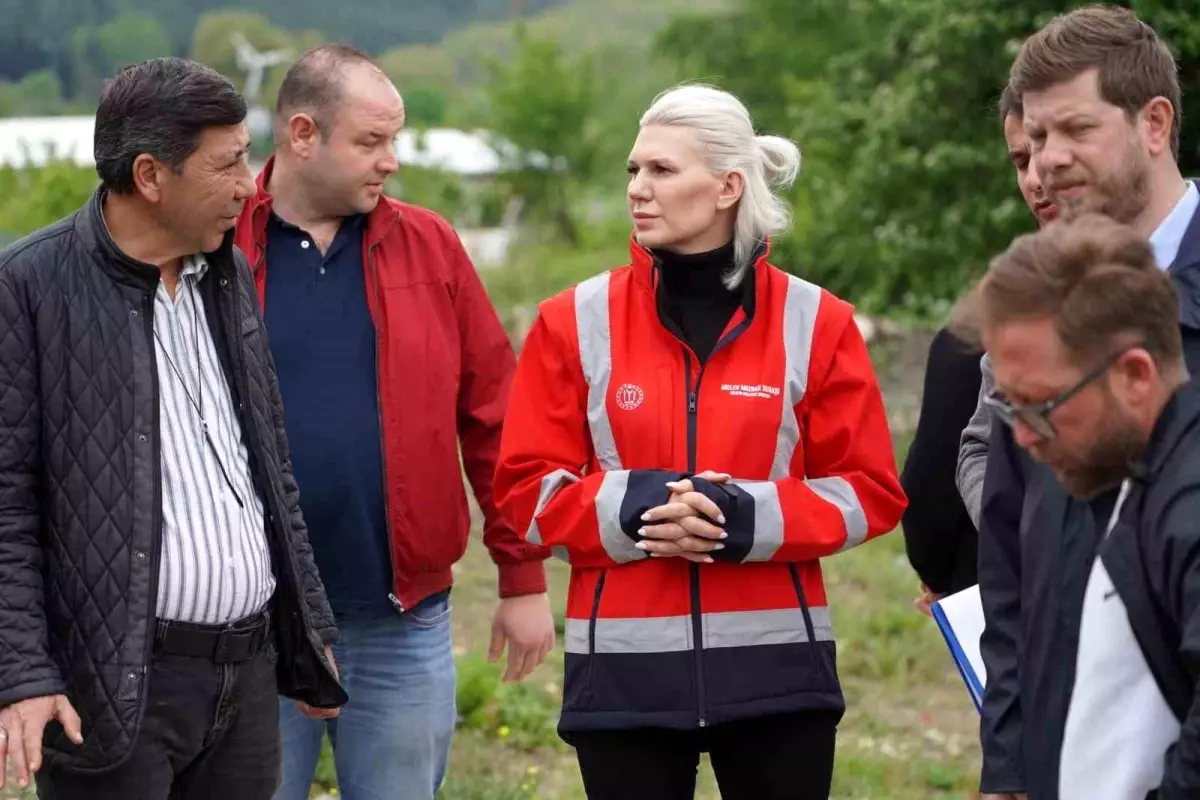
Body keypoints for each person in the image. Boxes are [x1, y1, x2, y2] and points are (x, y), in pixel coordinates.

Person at [493, 83, 907, 800]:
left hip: (779, 675)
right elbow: (524, 493)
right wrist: (643, 505)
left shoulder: (820, 320)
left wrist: (738, 517)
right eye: (633, 171)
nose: (638, 189)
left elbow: (868, 491)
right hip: (624, 677)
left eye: (661, 170)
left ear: (727, 186)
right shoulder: (570, 319)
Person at [0, 58, 346, 800]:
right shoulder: (27, 288)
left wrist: (306, 624)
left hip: (245, 680)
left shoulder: (223, 275)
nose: (249, 185)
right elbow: (4, 505)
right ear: (152, 176)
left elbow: (269, 467)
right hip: (116, 684)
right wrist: (22, 675)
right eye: (227, 164)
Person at [231, 44, 555, 800]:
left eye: (395, 140)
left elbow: (496, 417)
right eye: (371, 142)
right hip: (252, 627)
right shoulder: (218, 245)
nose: (392, 162)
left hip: (399, 622)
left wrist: (523, 575)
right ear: (303, 135)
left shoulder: (431, 246)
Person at [963, 7, 1200, 799]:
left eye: (1074, 131)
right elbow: (1008, 560)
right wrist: (1009, 763)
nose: (1045, 162)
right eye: (1033, 140)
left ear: (1155, 123)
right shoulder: (1036, 294)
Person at [904, 84, 1059, 612]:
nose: (1038, 178)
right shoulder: (1005, 312)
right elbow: (971, 450)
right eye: (1021, 159)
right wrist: (1017, 552)